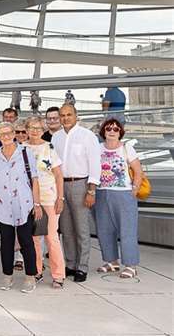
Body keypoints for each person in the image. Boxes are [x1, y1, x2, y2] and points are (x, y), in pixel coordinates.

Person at [52, 103, 101, 283]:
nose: (65, 118)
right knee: (66, 228)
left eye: (69, 115)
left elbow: (95, 164)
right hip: (60, 185)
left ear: (76, 115)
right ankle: (71, 264)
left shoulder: (87, 136)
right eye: (62, 115)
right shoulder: (56, 137)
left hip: (80, 185)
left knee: (81, 228)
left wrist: (91, 191)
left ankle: (82, 266)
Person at [0, 123, 41, 293]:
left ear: (14, 134)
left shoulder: (26, 153)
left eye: (8, 133)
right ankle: (7, 275)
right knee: (6, 242)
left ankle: (30, 276)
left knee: (26, 241)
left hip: (23, 204)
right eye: (1, 134)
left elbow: (34, 179)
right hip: (3, 205)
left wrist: (37, 203)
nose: (5, 136)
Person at [95, 118, 142, 279]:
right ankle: (111, 261)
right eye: (108, 128)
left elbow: (138, 170)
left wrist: (134, 189)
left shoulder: (127, 148)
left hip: (123, 193)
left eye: (116, 129)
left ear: (120, 132)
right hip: (102, 192)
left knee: (127, 230)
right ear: (103, 131)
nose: (112, 131)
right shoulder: (98, 148)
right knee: (104, 229)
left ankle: (130, 265)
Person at [24, 116, 66, 289]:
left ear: (43, 130)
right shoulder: (21, 148)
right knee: (33, 238)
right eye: (31, 127)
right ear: (26, 129)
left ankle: (58, 275)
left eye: (38, 128)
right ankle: (36, 271)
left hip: (48, 198)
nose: (34, 131)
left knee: (51, 237)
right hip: (28, 200)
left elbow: (58, 175)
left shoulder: (49, 148)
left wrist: (60, 198)